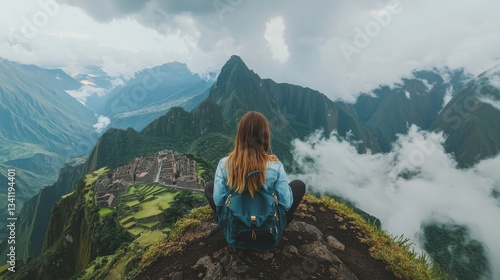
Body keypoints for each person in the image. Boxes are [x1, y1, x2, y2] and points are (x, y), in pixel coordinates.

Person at [204, 111, 306, 231]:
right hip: (268, 230)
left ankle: (228, 225)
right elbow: (286, 204)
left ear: (240, 135)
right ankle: (277, 225)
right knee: (298, 185)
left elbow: (219, 201)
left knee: (209, 187)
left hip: (236, 230)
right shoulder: (275, 166)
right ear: (265, 137)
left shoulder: (224, 164)